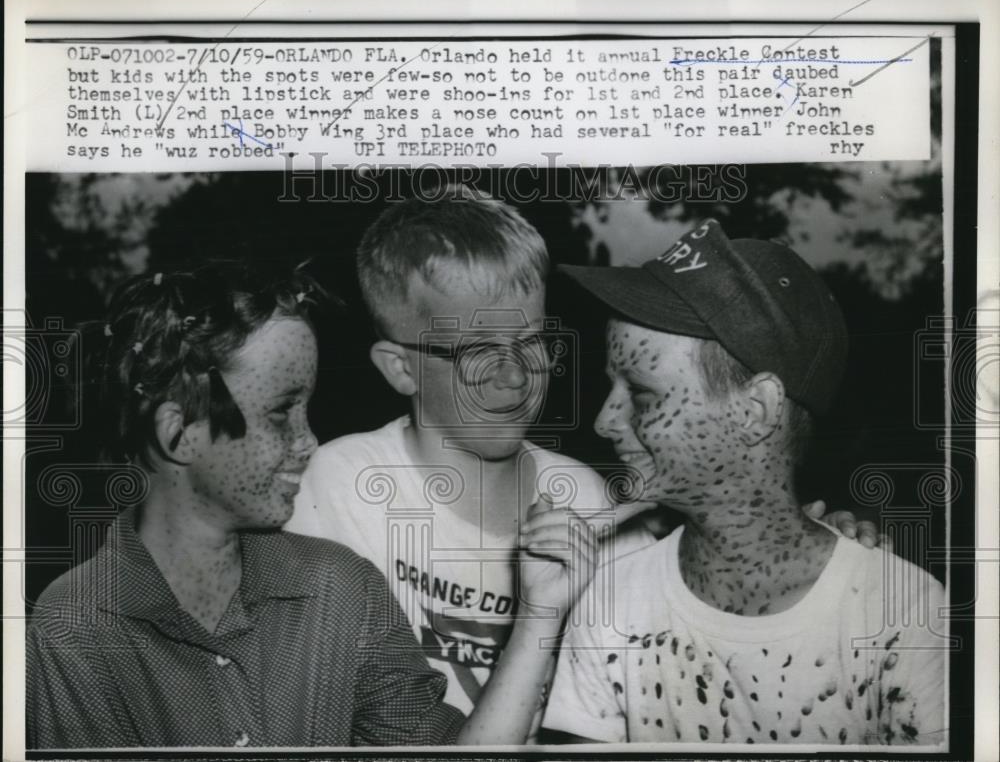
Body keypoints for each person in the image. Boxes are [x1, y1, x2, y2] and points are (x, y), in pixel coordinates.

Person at [285, 189, 879, 743]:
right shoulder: (336, 490)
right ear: (400, 368)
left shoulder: (592, 501)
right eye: (475, 350)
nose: (515, 375)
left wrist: (803, 570)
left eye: (532, 340)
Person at [26, 262, 471, 748]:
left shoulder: (342, 588)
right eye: (281, 412)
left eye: (308, 410)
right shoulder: (76, 630)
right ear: (180, 433)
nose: (309, 441)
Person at [542, 219, 947, 746]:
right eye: (610, 387)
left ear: (755, 410)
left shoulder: (905, 616)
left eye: (641, 397)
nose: (604, 420)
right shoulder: (613, 599)